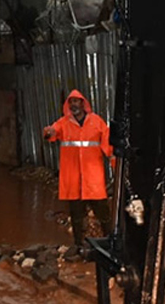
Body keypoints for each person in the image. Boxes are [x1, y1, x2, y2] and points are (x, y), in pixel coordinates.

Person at [43, 89, 114, 249]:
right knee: (76, 215)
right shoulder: (63, 123)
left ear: (83, 103)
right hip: (73, 177)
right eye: (71, 102)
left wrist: (115, 161)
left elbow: (108, 144)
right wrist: (49, 132)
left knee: (103, 212)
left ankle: (109, 242)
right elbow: (51, 134)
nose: (74, 104)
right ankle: (78, 245)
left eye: (77, 101)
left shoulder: (96, 122)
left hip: (92, 177)